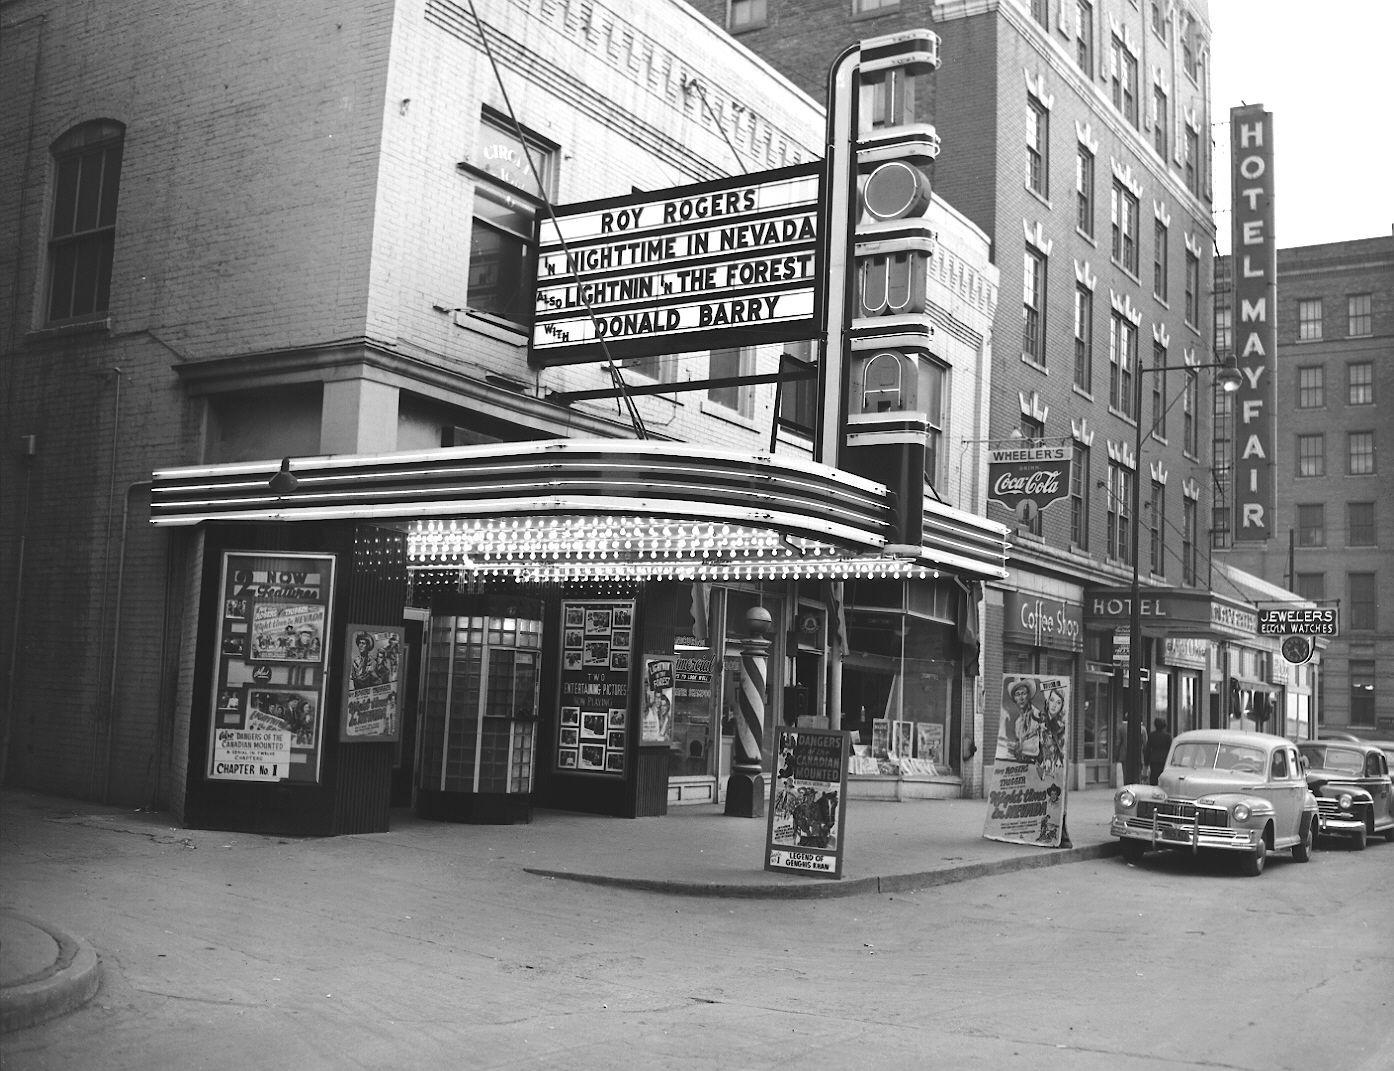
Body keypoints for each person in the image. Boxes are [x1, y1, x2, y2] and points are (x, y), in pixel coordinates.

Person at [1146, 717, 1173, 785]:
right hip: (1165, 759)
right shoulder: (1168, 736)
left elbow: (1148, 748)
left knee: (1154, 777)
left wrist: (1146, 761)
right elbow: (1171, 749)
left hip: (1154, 759)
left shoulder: (1151, 735)